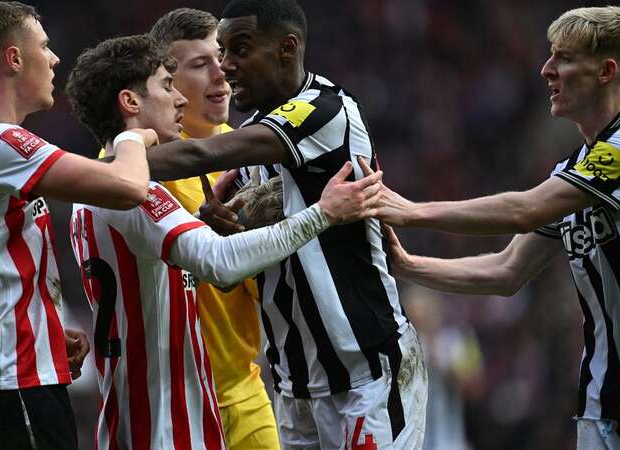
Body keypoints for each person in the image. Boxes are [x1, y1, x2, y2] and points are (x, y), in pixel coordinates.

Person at [361, 6, 620, 450]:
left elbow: (526, 209)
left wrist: (410, 210)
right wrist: (405, 265)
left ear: (606, 71)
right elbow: (506, 270)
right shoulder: (571, 170)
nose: (547, 70)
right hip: (602, 406)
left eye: (564, 58)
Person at [64, 33, 382, 450]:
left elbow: (178, 268)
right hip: (166, 423)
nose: (178, 99)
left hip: (140, 414)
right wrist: (322, 213)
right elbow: (220, 262)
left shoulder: (89, 196)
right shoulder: (134, 191)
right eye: (165, 85)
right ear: (131, 103)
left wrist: (208, 223)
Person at [143, 1, 427, 448]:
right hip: (294, 384)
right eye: (220, 54)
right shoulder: (258, 129)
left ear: (286, 49)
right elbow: (261, 260)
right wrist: (231, 229)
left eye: (238, 50)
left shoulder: (325, 110)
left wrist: (98, 165)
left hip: (365, 376)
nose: (227, 67)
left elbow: (202, 153)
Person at [0, 1, 156, 449]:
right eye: (44, 46)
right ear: (14, 58)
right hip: (12, 391)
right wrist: (132, 137)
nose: (55, 58)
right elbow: (128, 186)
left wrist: (34, 331)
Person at [149, 8, 280, 449]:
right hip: (167, 400)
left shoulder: (253, 156)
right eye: (200, 64)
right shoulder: (137, 165)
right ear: (166, 81)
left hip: (242, 392)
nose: (221, 73)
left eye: (221, 57)